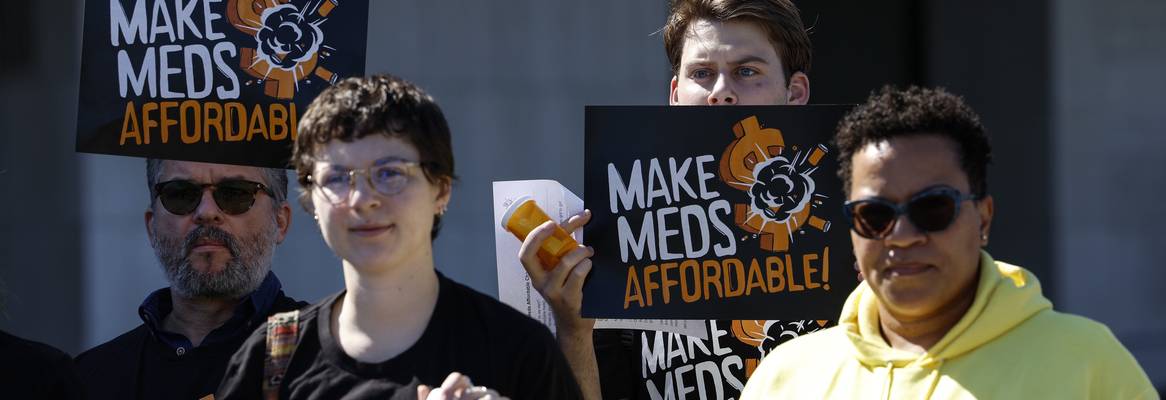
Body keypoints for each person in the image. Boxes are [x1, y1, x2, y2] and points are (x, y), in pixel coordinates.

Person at [740, 86, 1156, 398]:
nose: (901, 236)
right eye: (875, 214)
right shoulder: (786, 378)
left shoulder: (1087, 363)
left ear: (984, 218)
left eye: (933, 208)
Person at [518, 1, 821, 399]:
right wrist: (574, 328)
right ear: (676, 94)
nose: (721, 93)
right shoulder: (626, 233)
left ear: (795, 93)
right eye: (702, 73)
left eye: (747, 72)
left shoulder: (865, 229)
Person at [216, 75, 583, 399]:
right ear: (311, 199)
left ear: (440, 190)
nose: (362, 199)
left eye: (390, 173)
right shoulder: (270, 359)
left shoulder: (517, 350)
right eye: (337, 178)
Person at [74, 159, 306, 400]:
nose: (206, 213)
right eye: (181, 194)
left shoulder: (326, 358)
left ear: (280, 221)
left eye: (236, 193)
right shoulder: (91, 378)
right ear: (151, 226)